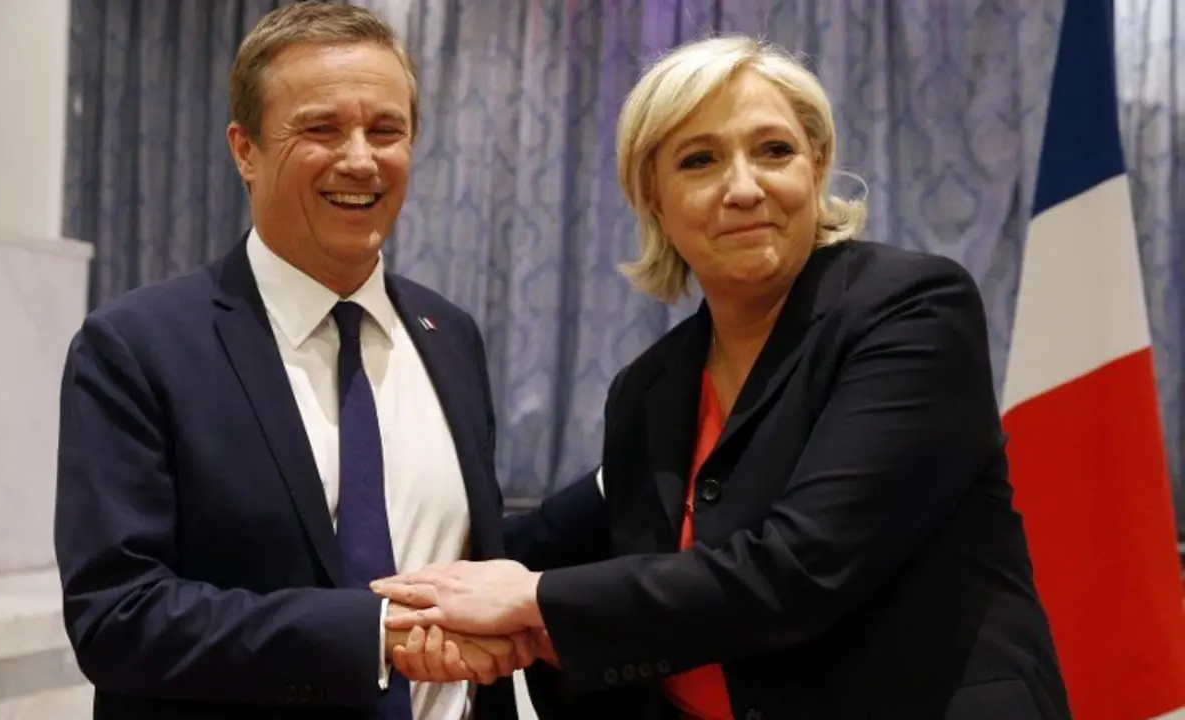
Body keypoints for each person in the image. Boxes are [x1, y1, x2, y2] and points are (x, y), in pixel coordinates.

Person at [373, 35, 1073, 720]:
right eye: (700, 160)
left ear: (817, 166)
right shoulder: (650, 389)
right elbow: (580, 553)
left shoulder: (910, 309)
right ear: (653, 197)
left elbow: (799, 572)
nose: (744, 188)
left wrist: (532, 603)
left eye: (774, 151)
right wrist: (398, 606)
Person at [53, 3, 532, 718]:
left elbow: (463, 536)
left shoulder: (449, 333)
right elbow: (119, 618)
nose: (362, 159)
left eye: (387, 130)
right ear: (245, 150)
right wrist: (373, 636)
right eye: (321, 128)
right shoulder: (136, 347)